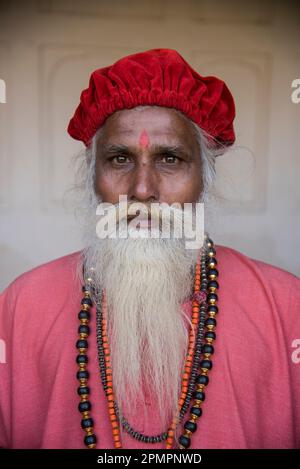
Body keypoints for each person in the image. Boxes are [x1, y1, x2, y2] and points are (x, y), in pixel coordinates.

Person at [0, 49, 299, 450]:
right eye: (120, 158)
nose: (142, 190)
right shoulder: (22, 305)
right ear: (91, 178)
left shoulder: (285, 306)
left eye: (170, 159)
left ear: (204, 180)